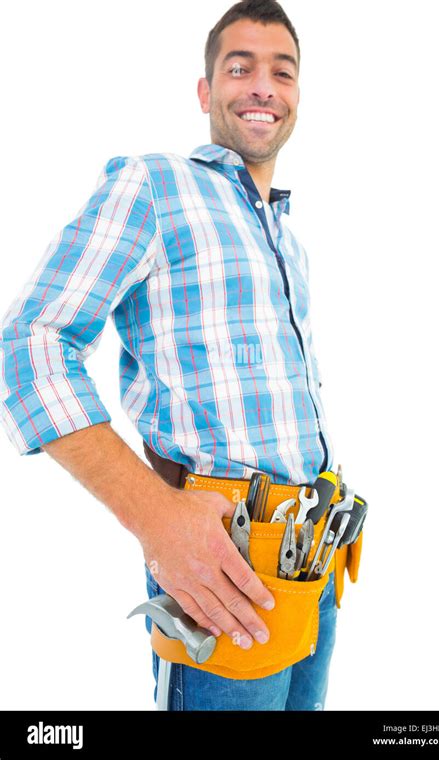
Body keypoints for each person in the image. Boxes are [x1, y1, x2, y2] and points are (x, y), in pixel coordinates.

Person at [0, 0, 338, 710]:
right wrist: (154, 517)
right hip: (223, 572)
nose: (261, 86)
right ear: (205, 91)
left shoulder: (286, 237)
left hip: (315, 561)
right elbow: (31, 342)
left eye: (283, 71)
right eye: (238, 67)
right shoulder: (155, 185)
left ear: (296, 96)